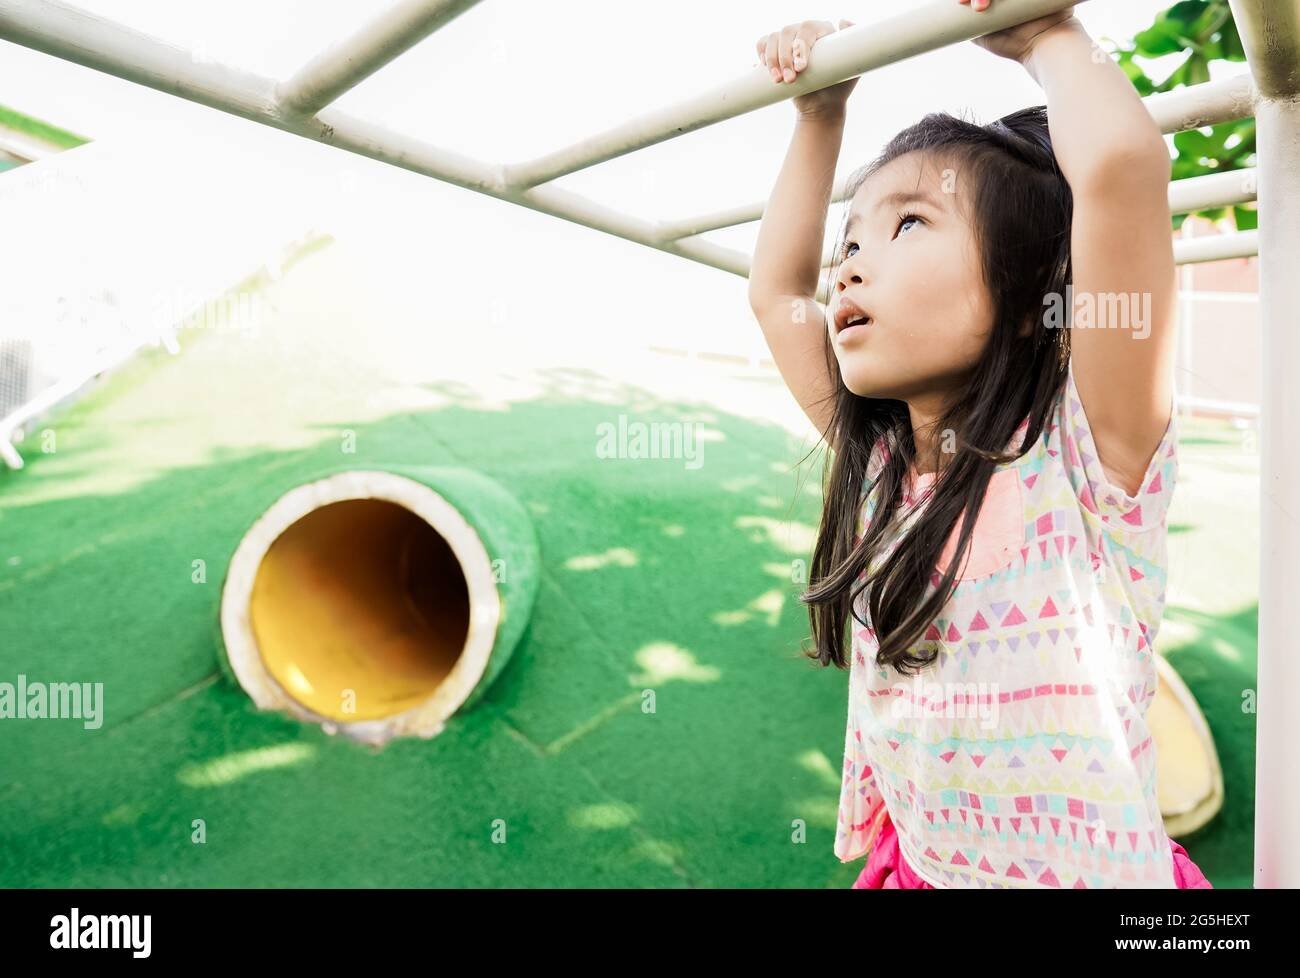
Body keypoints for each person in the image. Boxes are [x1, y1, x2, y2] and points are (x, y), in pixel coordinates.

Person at [748, 1, 1212, 888]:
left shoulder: (1085, 458)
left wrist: (1044, 35)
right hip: (923, 867)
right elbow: (778, 296)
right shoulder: (882, 471)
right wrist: (818, 113)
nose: (850, 265)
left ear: (1031, 290)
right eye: (850, 239)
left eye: (908, 225)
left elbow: (1121, 170)